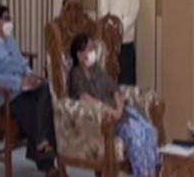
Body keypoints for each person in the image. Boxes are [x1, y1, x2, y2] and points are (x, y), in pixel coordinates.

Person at [0, 5, 58, 175]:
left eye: (10, 18)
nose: (9, 22)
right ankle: (47, 164)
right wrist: (19, 83)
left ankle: (40, 145)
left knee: (47, 91)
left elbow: (22, 63)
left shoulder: (11, 42)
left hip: (25, 89)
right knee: (36, 113)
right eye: (6, 18)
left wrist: (31, 76)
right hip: (9, 98)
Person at [68, 33, 158, 177]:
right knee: (136, 136)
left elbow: (114, 88)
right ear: (79, 55)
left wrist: (119, 107)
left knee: (148, 130)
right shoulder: (76, 74)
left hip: (119, 113)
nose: (93, 52)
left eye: (93, 48)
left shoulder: (96, 69)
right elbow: (84, 97)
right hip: (103, 120)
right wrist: (110, 111)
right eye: (90, 49)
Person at [100, 0, 140, 85]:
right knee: (110, 81)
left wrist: (120, 28)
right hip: (110, 43)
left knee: (127, 81)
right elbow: (104, 12)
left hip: (126, 41)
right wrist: (112, 30)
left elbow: (133, 14)